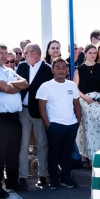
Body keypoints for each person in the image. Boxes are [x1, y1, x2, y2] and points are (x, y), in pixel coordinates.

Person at [0, 43, 29, 197]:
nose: (3, 55)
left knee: (13, 152)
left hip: (15, 117)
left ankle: (12, 181)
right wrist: (12, 86)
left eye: (5, 53)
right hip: (0, 117)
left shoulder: (8, 70)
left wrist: (10, 84)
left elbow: (25, 83)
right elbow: (5, 89)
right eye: (0, 53)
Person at [37, 59, 82, 189]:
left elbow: (76, 104)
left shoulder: (72, 85)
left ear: (67, 70)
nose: (61, 70)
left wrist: (77, 121)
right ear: (52, 70)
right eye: (58, 67)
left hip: (71, 124)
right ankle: (54, 180)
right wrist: (48, 124)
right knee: (54, 153)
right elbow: (41, 107)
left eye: (64, 67)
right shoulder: (45, 86)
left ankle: (66, 178)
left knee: (67, 153)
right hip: (55, 125)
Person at [16, 43, 53, 188]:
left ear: (35, 53)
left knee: (42, 144)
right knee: (23, 144)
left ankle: (42, 175)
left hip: (39, 112)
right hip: (23, 110)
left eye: (26, 52)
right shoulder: (22, 67)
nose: (24, 55)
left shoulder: (48, 69)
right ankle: (22, 176)